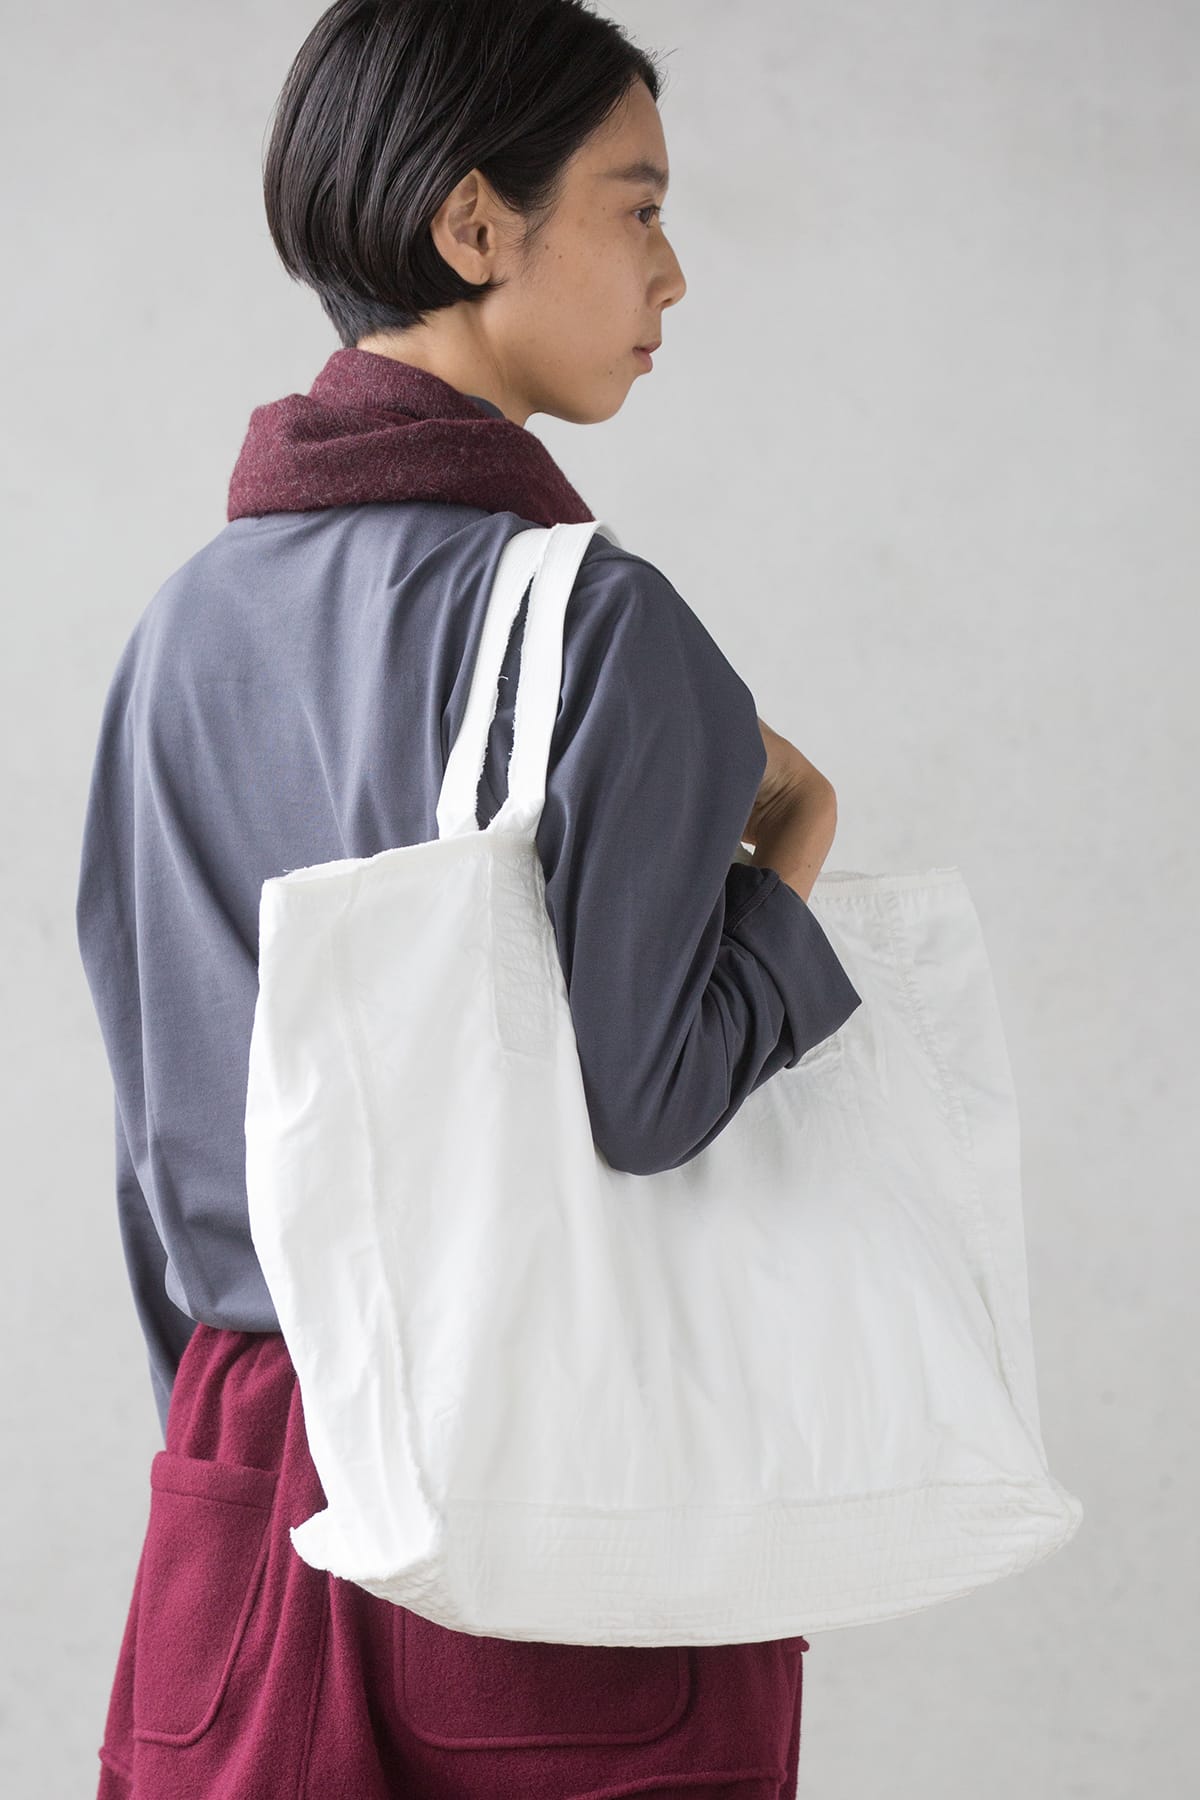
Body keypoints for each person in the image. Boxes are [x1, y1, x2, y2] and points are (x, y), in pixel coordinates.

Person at [76, 4, 861, 1795]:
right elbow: (645, 1105)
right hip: (538, 1499)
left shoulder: (181, 628)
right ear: (475, 223)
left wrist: (239, 1452)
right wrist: (800, 842)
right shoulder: (601, 624)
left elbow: (149, 1138)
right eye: (638, 205)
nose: (672, 273)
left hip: (243, 1485)